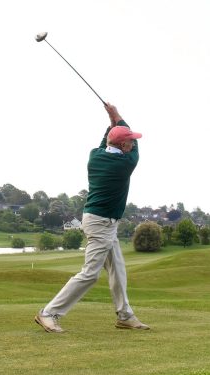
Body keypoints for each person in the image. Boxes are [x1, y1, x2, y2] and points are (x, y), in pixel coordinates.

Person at [35, 102, 150, 333]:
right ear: (124, 145)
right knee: (90, 274)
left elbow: (110, 137)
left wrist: (111, 121)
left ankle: (125, 315)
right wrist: (115, 115)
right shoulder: (126, 163)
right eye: (130, 140)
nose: (132, 142)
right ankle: (49, 313)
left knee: (117, 268)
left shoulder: (96, 155)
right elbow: (121, 133)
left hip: (99, 220)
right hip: (101, 223)